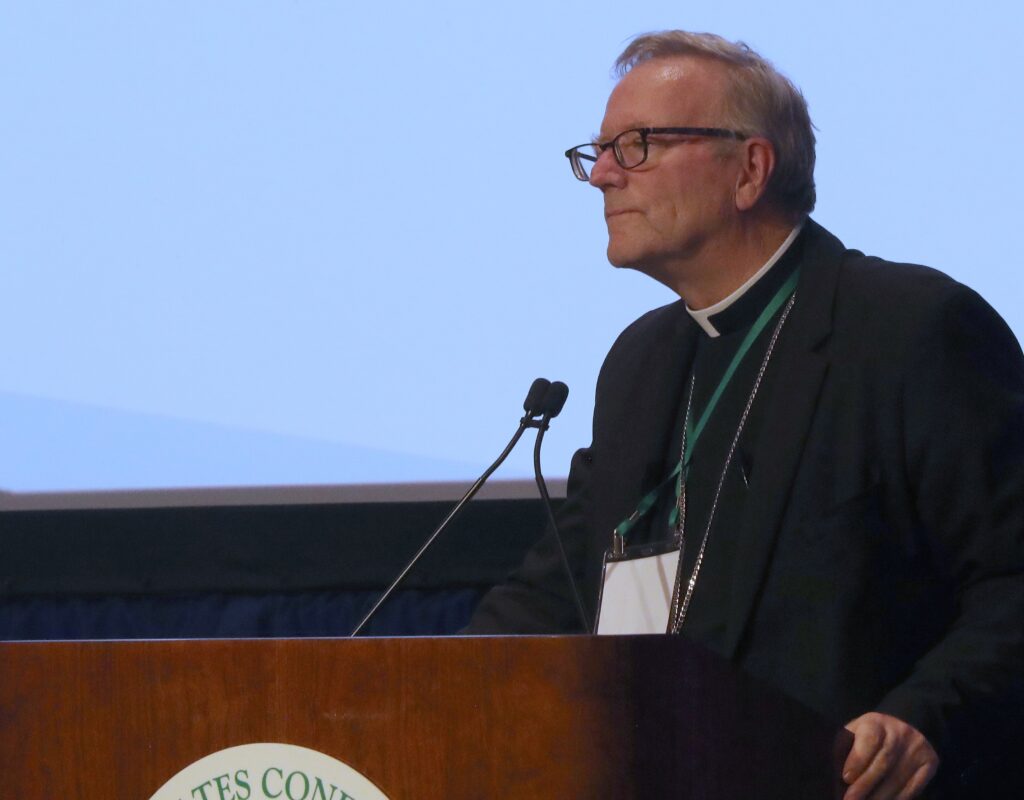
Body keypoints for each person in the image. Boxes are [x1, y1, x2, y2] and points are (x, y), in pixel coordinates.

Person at [464, 30, 1024, 800]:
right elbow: (560, 589)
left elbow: (1012, 581)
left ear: (750, 169)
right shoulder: (639, 364)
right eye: (596, 152)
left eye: (637, 146)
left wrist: (924, 718)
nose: (600, 176)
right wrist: (412, 693)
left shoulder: (910, 329)